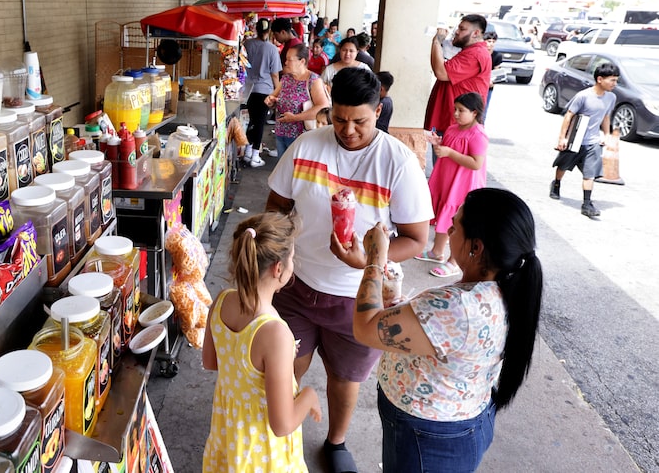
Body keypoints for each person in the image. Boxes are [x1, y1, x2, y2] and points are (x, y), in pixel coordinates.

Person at [265, 67, 433, 473]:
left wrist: (370, 262)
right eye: (339, 119)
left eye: (360, 121)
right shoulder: (307, 146)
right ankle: (277, 438)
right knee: (287, 366)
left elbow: (416, 238)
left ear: (379, 110)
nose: (348, 130)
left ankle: (336, 442)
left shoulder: (397, 161)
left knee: (345, 377)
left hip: (359, 298)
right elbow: (276, 207)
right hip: (297, 285)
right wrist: (276, 254)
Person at [354, 187, 543, 472]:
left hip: (427, 438)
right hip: (458, 422)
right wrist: (398, 303)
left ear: (476, 247)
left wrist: (375, 259)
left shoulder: (458, 307)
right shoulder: (505, 286)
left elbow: (366, 329)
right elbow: (443, 337)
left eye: (454, 228)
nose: (446, 232)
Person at [202, 213, 322, 472]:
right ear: (278, 268)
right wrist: (310, 395)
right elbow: (282, 424)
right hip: (262, 456)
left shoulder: (222, 301)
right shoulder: (275, 333)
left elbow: (212, 362)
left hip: (228, 438)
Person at [417, 92, 488, 277]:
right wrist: (438, 144)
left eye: (461, 110)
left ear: (474, 113)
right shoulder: (452, 129)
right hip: (446, 180)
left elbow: (476, 163)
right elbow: (446, 149)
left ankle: (454, 261)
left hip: (463, 185)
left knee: (460, 223)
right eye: (455, 109)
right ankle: (437, 252)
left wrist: (449, 152)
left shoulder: (478, 135)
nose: (456, 114)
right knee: (444, 217)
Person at [549, 62, 619, 218]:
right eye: (612, 80)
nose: (615, 84)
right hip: (575, 139)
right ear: (600, 79)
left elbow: (606, 116)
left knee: (590, 174)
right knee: (563, 166)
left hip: (593, 142)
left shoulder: (611, 97)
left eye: (616, 80)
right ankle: (556, 184)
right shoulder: (583, 96)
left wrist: (606, 135)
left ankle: (586, 204)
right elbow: (568, 116)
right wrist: (563, 138)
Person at [424, 14, 491, 139]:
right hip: (453, 123)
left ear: (475, 33)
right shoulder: (471, 52)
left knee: (448, 158)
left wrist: (437, 41)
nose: (456, 32)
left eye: (462, 29)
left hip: (458, 126)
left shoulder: (475, 54)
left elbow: (441, 73)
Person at [265, 44, 330, 158]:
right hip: (281, 132)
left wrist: (295, 118)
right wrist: (271, 101)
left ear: (302, 61)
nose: (285, 63)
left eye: (289, 60)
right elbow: (273, 96)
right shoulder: (286, 78)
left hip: (301, 136)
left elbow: (323, 107)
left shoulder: (313, 80)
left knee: (298, 171)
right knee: (284, 168)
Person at [243, 18, 281, 167]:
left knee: (251, 121)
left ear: (256, 29)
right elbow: (275, 74)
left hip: (247, 89)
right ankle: (255, 156)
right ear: (269, 31)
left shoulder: (247, 44)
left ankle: (247, 151)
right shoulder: (271, 49)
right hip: (264, 90)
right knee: (259, 123)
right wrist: (277, 93)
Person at [483, 30, 503, 122]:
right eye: (488, 41)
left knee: (483, 111)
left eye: (493, 41)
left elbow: (496, 72)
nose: (491, 44)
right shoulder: (480, 53)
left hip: (488, 86)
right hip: (478, 85)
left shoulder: (497, 56)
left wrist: (492, 81)